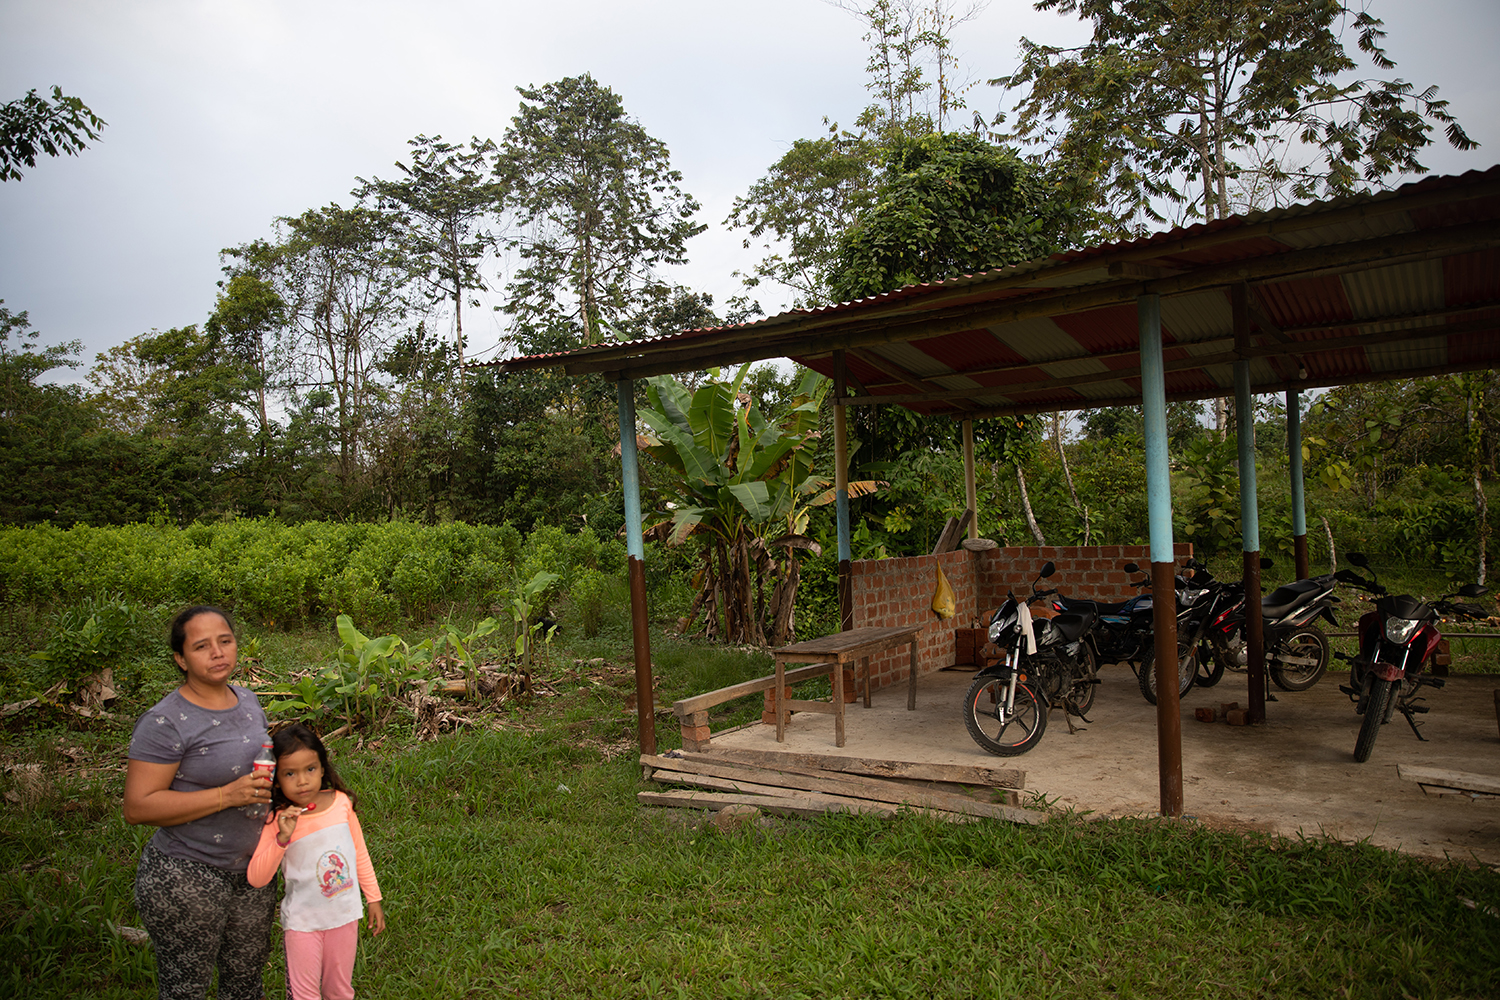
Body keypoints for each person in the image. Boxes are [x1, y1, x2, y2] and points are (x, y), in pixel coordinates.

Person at [123, 605, 277, 1000]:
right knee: (185, 989)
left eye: (225, 641)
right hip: (187, 876)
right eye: (202, 646)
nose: (218, 652)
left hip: (252, 873)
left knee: (245, 986)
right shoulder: (166, 722)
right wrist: (228, 795)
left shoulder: (246, 700)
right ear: (180, 659)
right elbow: (138, 806)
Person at [248, 723, 385, 1000]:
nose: (302, 781)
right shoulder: (279, 820)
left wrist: (373, 898)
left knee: (340, 990)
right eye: (290, 773)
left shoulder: (341, 803)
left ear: (322, 768)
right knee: (303, 996)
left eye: (310, 769)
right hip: (302, 924)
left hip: (344, 917)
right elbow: (257, 878)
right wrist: (281, 840)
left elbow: (359, 853)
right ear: (276, 779)